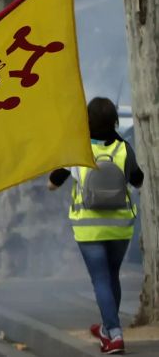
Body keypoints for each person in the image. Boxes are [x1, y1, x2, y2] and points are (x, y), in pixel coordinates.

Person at [48, 97, 143, 355]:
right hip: (120, 226)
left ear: (87, 121)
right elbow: (138, 180)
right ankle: (106, 327)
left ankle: (114, 334)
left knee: (100, 279)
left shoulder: (79, 150)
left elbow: (54, 181)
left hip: (88, 228)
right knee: (112, 276)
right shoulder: (124, 149)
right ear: (114, 120)